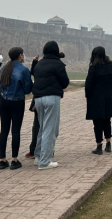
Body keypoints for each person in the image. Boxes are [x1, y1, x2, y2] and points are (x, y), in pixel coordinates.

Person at [0, 47, 32, 170]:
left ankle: (2, 160)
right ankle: (14, 159)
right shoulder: (23, 70)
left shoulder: (3, 69)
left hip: (4, 101)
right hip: (17, 102)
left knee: (4, 130)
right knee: (15, 131)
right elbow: (28, 89)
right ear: (20, 55)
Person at [32, 41, 69, 170]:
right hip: (52, 97)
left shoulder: (39, 64)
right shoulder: (58, 64)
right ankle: (45, 161)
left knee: (42, 128)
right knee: (50, 129)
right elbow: (65, 83)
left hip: (38, 99)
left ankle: (38, 156)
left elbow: (35, 76)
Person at [85, 46, 112, 155]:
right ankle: (108, 143)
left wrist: (88, 96)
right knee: (107, 120)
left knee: (97, 122)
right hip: (108, 97)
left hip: (96, 98)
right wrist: (111, 91)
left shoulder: (94, 68)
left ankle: (99, 145)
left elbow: (88, 85)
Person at [25, 55, 40, 159]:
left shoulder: (40, 67)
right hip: (51, 98)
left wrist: (35, 63)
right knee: (47, 125)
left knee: (37, 125)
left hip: (39, 98)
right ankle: (48, 149)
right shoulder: (57, 66)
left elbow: (34, 73)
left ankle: (34, 150)